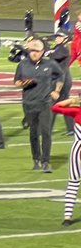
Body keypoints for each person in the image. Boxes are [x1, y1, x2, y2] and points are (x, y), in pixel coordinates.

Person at [14, 37, 65, 172]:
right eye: (31, 51)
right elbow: (16, 82)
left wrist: (56, 90)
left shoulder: (50, 64)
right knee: (33, 133)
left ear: (43, 52)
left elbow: (61, 75)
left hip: (45, 103)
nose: (34, 53)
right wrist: (25, 83)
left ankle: (46, 161)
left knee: (46, 132)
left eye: (37, 51)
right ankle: (36, 159)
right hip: (29, 103)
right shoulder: (23, 64)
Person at [51, 96, 81, 225]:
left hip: (77, 150)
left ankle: (67, 217)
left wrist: (72, 100)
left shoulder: (77, 111)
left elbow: (55, 107)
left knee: (73, 184)